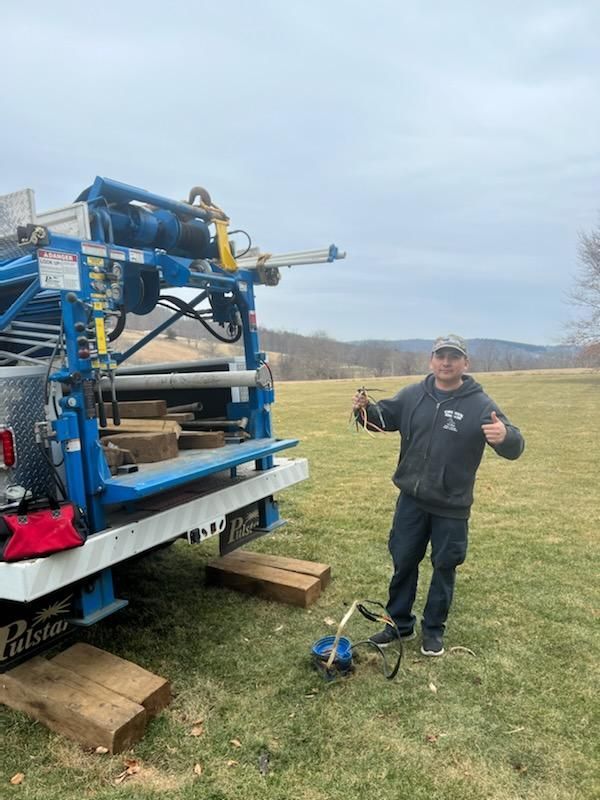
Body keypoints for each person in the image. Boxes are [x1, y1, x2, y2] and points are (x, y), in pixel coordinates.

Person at [353, 334, 524, 656]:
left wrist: (505, 437)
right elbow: (383, 419)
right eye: (441, 356)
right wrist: (364, 410)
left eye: (454, 357)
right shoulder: (413, 395)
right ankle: (399, 625)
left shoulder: (480, 404)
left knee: (444, 567)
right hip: (411, 501)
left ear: (465, 363)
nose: (446, 362)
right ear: (431, 360)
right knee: (403, 562)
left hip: (452, 506)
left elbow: (515, 444)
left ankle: (433, 630)